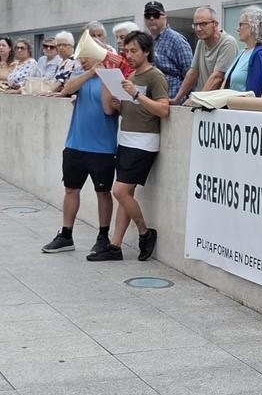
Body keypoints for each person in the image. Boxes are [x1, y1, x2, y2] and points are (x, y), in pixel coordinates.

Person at [88, 31, 167, 263]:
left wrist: (135, 95)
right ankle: (115, 246)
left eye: (134, 51)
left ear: (146, 51)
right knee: (126, 195)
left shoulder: (155, 76)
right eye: (126, 51)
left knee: (119, 191)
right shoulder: (131, 75)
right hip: (126, 139)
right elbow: (127, 109)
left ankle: (145, 232)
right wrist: (119, 103)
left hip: (144, 143)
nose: (129, 55)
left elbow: (163, 110)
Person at [41, 48, 119, 255]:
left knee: (103, 192)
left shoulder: (112, 79)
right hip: (75, 144)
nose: (82, 60)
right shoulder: (81, 77)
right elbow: (67, 89)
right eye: (81, 56)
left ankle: (103, 236)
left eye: (87, 56)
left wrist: (103, 77)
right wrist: (89, 73)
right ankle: (66, 235)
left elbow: (108, 109)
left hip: (102, 148)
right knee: (70, 190)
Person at [171, 5, 238, 104]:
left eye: (203, 24)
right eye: (195, 25)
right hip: (205, 101)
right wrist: (176, 99)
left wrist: (197, 100)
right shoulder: (201, 42)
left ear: (215, 24)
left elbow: (217, 77)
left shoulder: (228, 43)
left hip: (219, 105)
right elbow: (193, 72)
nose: (198, 29)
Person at [142, 1, 192, 99]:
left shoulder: (177, 40)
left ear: (165, 17)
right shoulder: (146, 41)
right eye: (148, 15)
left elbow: (190, 74)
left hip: (172, 100)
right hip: (152, 99)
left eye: (156, 15)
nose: (151, 18)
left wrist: (180, 98)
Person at [225, 5, 262, 96]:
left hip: (246, 108)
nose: (237, 29)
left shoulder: (260, 55)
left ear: (253, 26)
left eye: (241, 25)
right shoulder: (242, 53)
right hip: (235, 107)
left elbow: (257, 93)